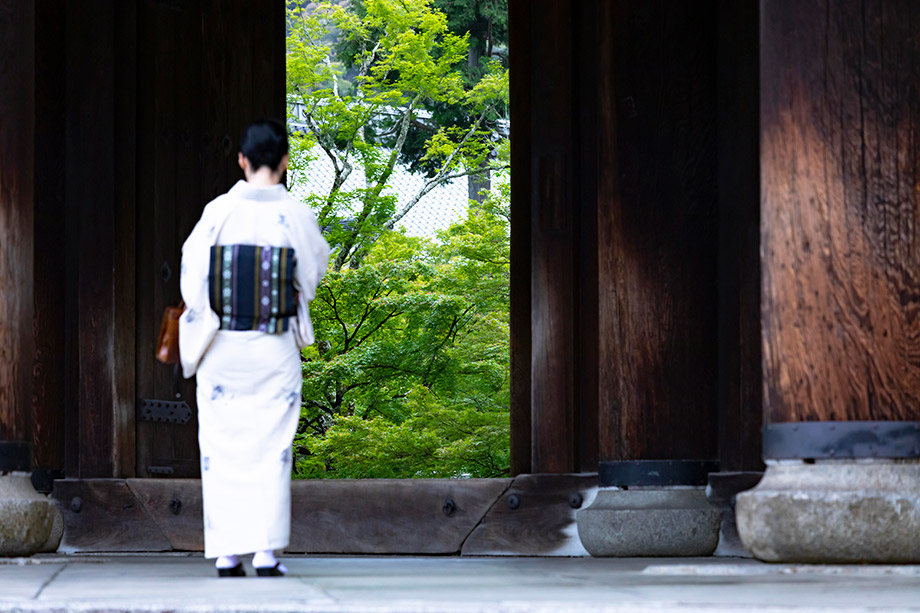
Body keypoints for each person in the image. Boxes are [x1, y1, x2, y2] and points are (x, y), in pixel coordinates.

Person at [178, 119, 330, 577]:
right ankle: (265, 553)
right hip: (273, 344)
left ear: (242, 160)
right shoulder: (295, 215)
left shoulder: (218, 212)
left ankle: (226, 552)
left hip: (222, 345)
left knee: (221, 446)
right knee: (272, 447)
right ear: (284, 162)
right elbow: (311, 273)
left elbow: (193, 277)